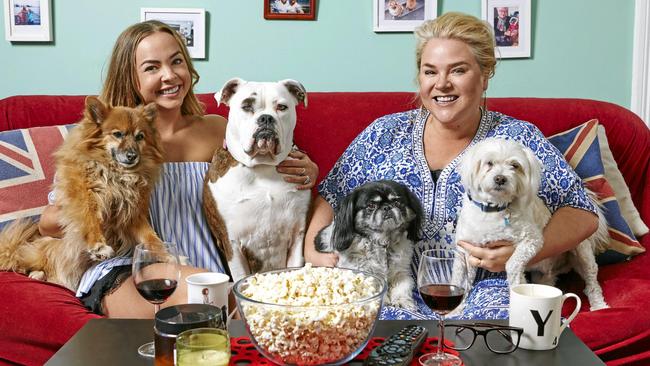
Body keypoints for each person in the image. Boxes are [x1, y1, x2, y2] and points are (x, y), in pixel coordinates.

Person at [304, 12, 599, 320]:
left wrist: (521, 255)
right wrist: (314, 253)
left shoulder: (517, 139)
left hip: (486, 288)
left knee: (497, 333)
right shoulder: (383, 133)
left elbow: (581, 212)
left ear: (485, 75)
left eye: (458, 71)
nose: (441, 84)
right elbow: (332, 193)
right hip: (389, 287)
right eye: (430, 72)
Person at [38, 20, 319, 318]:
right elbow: (48, 223)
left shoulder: (219, 130)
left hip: (209, 267)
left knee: (222, 294)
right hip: (129, 269)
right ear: (129, 78)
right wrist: (103, 213)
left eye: (176, 62)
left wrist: (307, 170)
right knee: (218, 296)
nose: (169, 75)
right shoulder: (107, 139)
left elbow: (269, 177)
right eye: (151, 68)